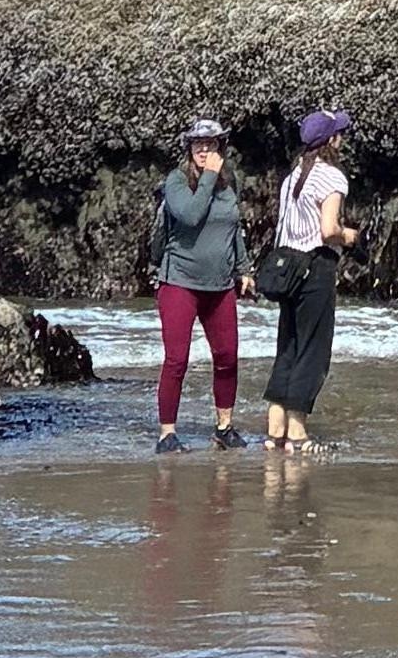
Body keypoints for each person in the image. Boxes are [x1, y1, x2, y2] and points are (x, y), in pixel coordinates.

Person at [144, 117, 244, 450]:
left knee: (228, 356)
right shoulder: (176, 181)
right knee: (177, 360)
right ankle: (167, 433)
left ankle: (224, 427)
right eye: (198, 144)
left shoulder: (229, 185)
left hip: (221, 285)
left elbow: (233, 229)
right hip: (179, 282)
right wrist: (209, 177)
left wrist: (244, 269)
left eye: (211, 143)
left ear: (220, 147)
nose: (204, 149)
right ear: (189, 148)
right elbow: (189, 215)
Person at [262, 109, 354, 453]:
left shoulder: (292, 177)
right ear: (330, 140)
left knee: (287, 345)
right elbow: (328, 230)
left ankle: (275, 431)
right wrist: (351, 237)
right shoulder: (332, 177)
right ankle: (298, 434)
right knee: (313, 350)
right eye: (338, 134)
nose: (341, 139)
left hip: (287, 268)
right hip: (315, 268)